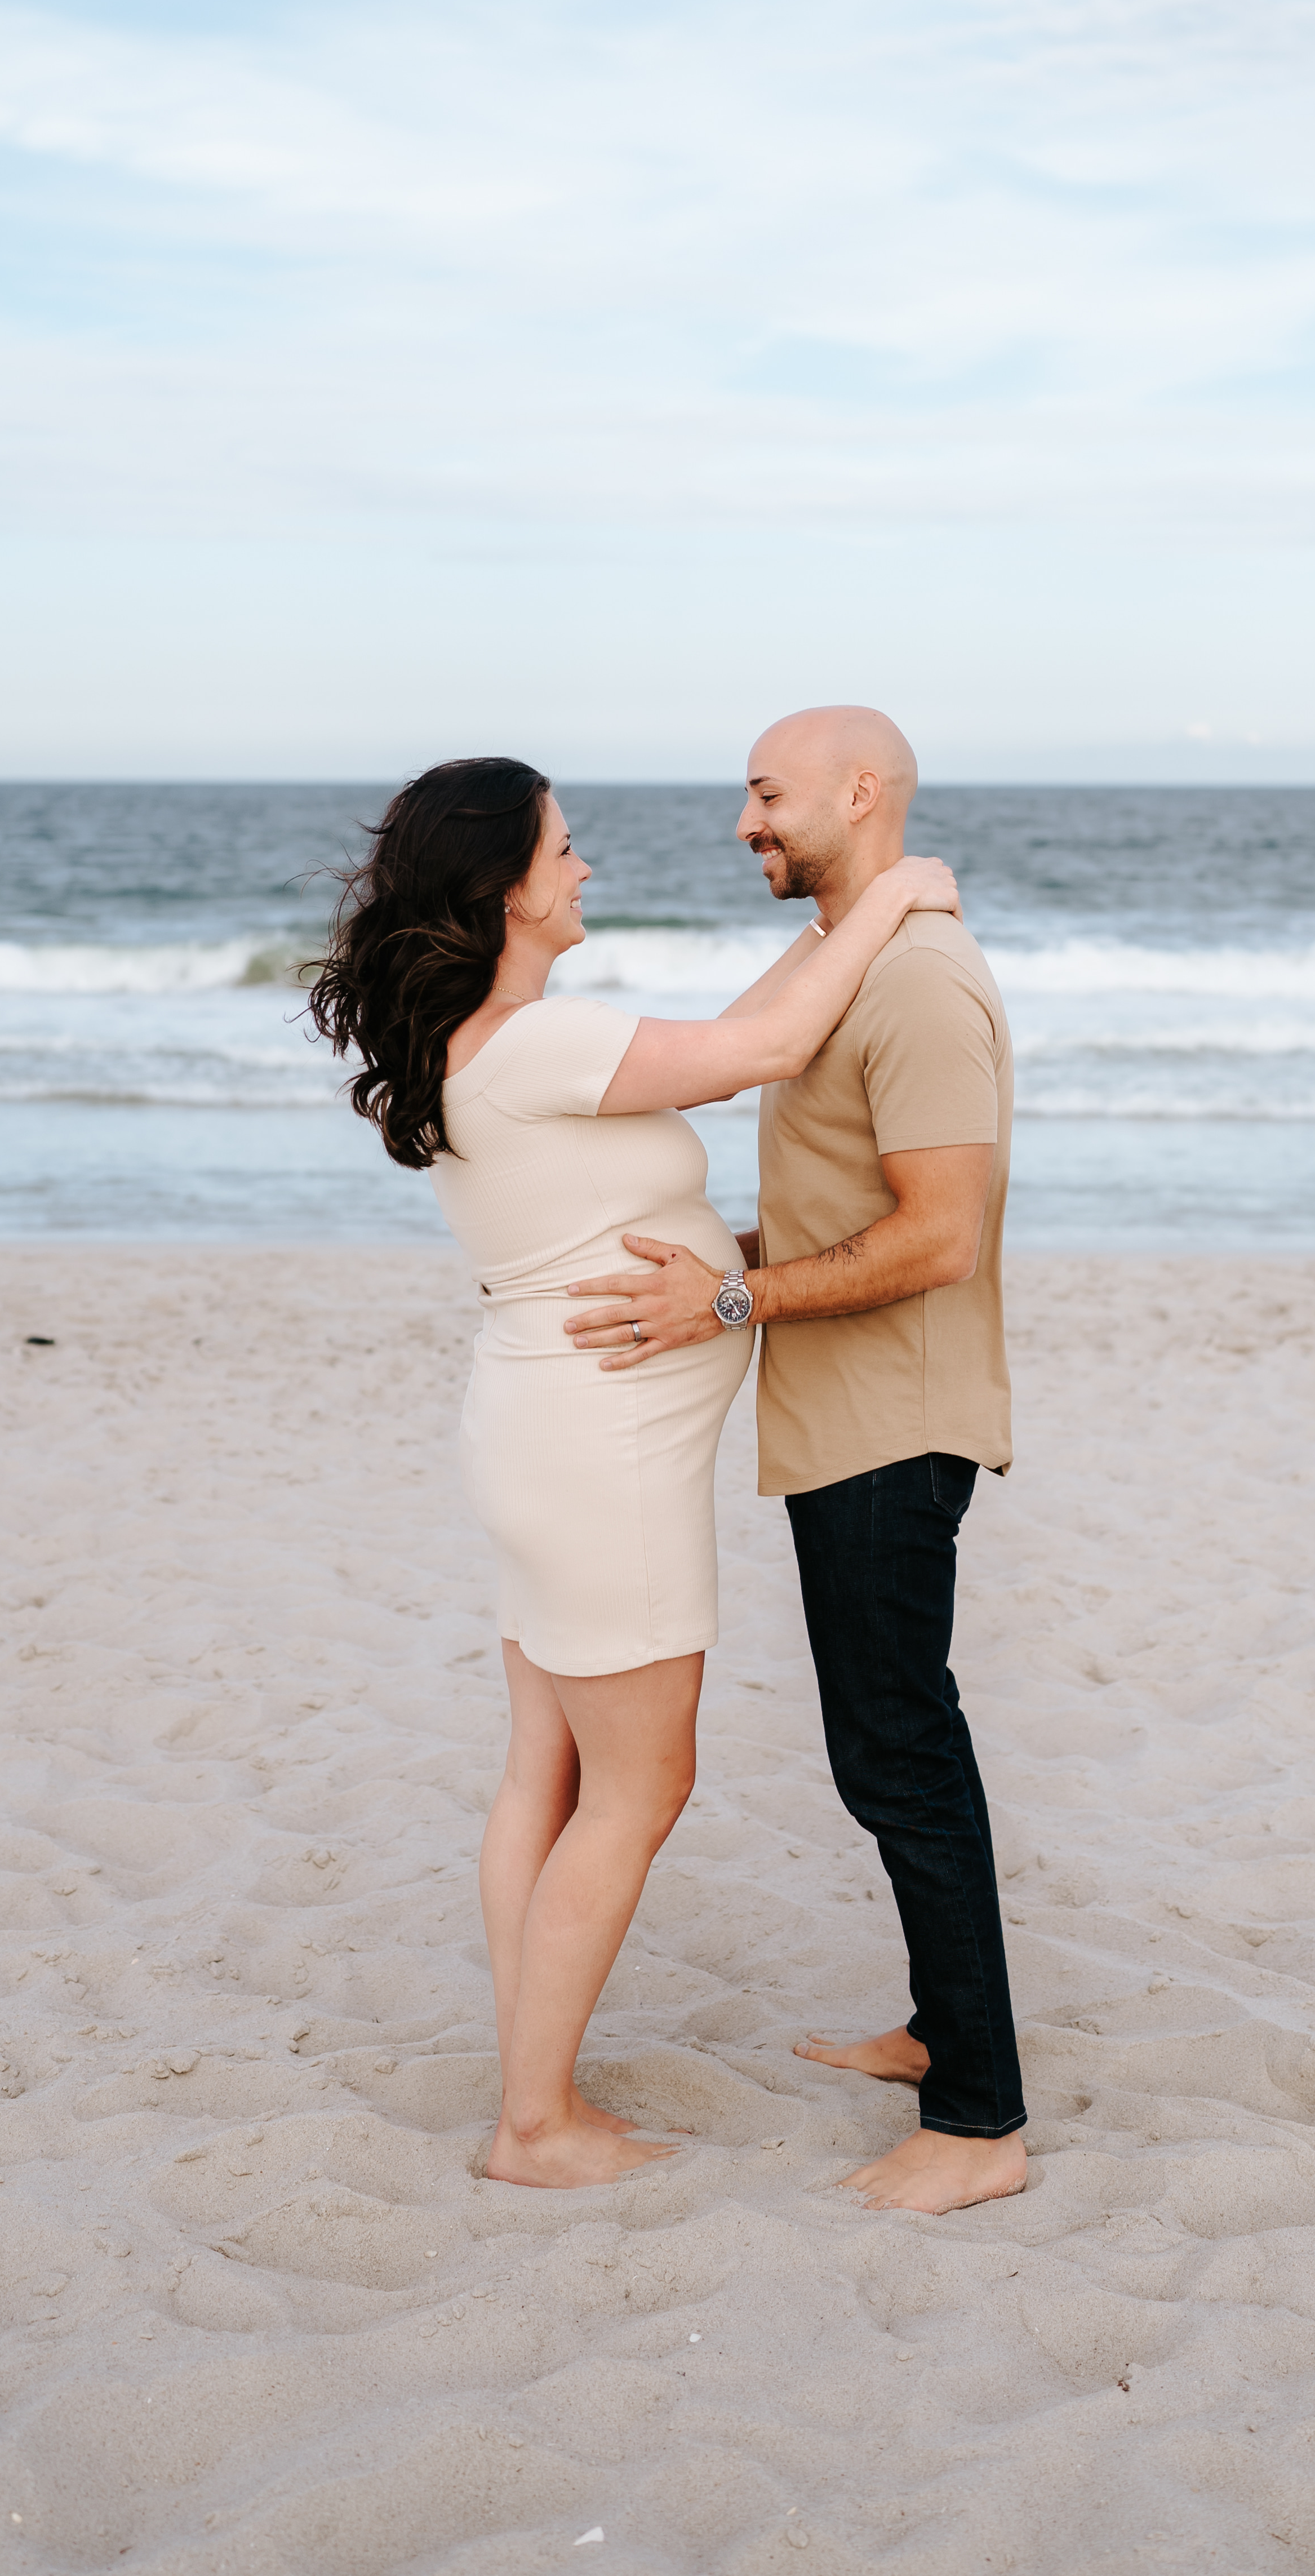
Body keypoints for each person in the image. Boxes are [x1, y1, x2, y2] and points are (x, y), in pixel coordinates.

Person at [305, 755, 958, 2191]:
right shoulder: (532, 1045)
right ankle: (534, 2124)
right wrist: (897, 890)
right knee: (639, 1787)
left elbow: (735, 1031)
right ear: (505, 887)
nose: (584, 866)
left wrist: (833, 923)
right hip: (601, 1456)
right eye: (564, 846)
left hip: (544, 1433)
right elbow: (765, 1055)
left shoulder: (497, 1042)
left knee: (544, 1766)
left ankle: (530, 2084)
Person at [563, 707, 1025, 2217]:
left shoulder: (923, 986)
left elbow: (939, 1239)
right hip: (844, 1413)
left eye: (767, 795)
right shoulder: (857, 969)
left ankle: (979, 2124)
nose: (747, 823)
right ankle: (945, 2031)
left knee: (901, 1756)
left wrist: (734, 1295)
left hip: (898, 1423)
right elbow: (850, 1211)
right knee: (881, 1751)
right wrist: (726, 1263)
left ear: (860, 792)